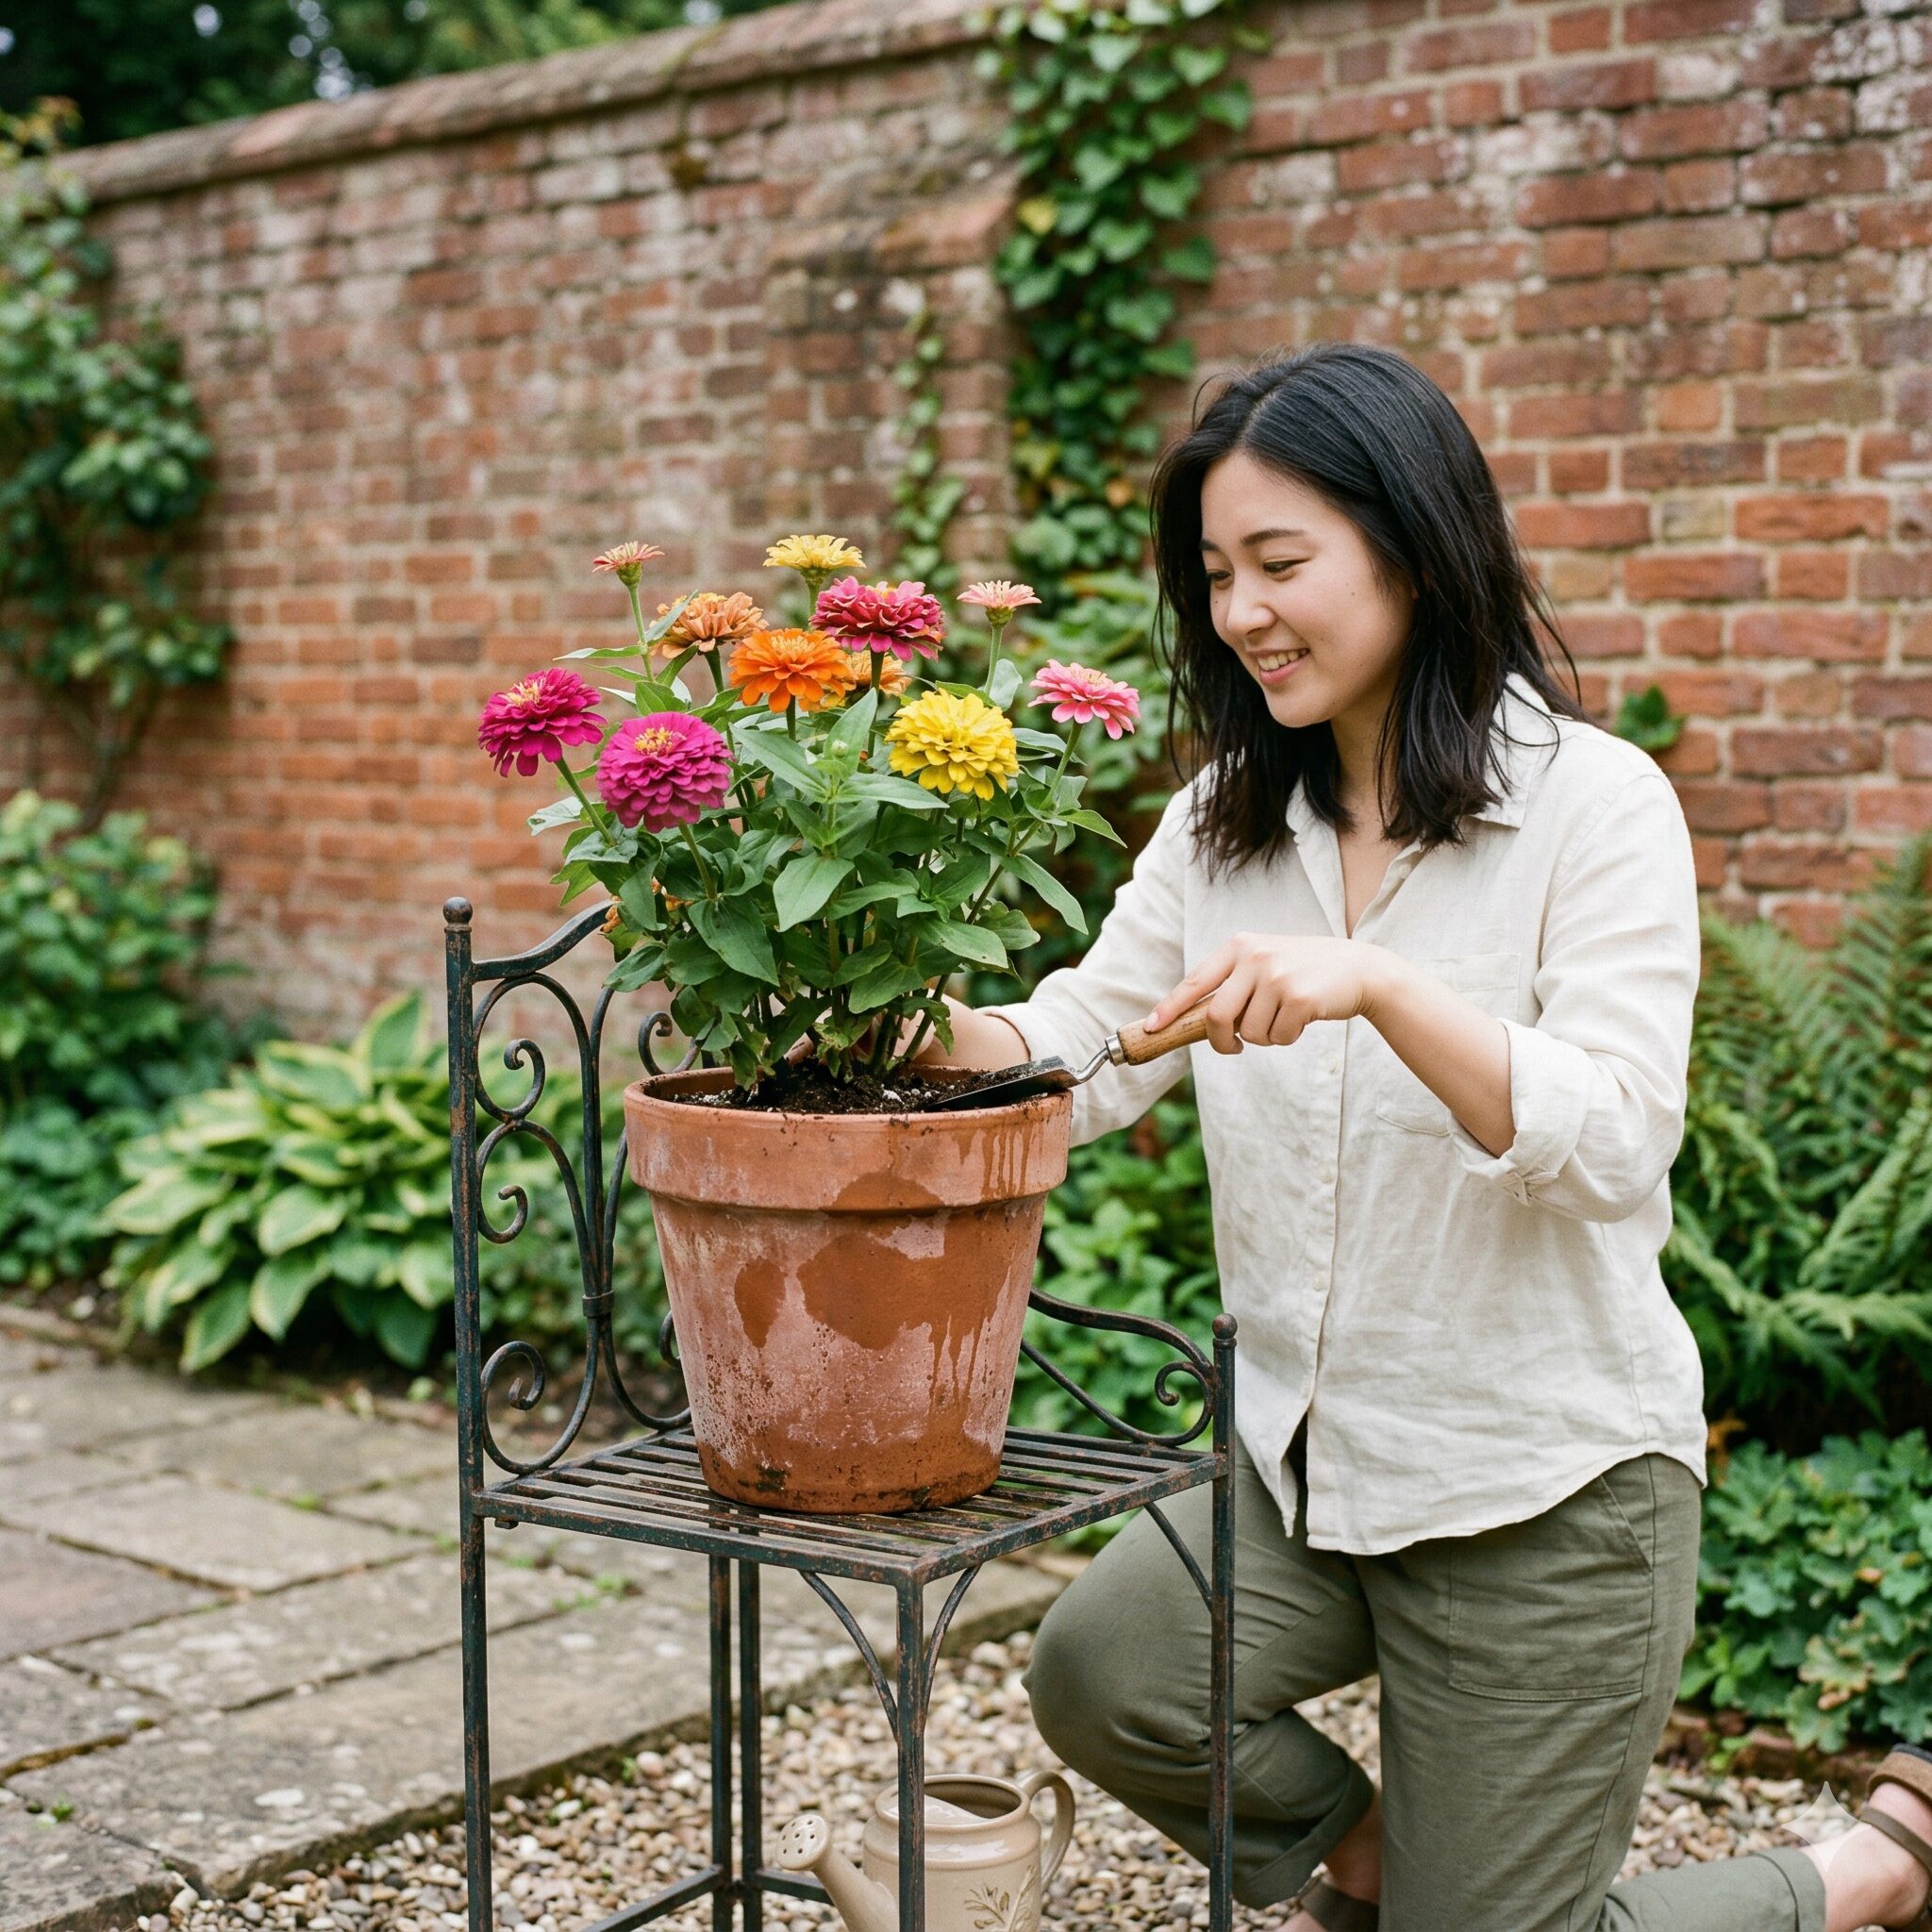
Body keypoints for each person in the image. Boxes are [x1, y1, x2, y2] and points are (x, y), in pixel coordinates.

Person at [912, 344, 1932, 1932]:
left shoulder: (1594, 808)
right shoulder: (1222, 823)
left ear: (1413, 542)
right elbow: (1083, 1048)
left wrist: (1380, 985)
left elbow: (1616, 1146)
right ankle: (1404, 1878)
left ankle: (1859, 1876)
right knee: (1107, 1675)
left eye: (1279, 562)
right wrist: (918, 1034)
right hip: (1306, 1471)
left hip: (1547, 1494)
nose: (1240, 613)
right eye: (1213, 575)